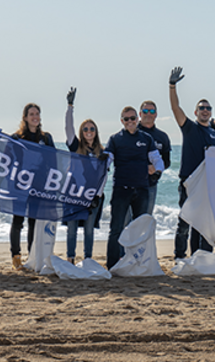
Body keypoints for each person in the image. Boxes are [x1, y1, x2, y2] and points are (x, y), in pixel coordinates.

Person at [168, 66, 215, 259]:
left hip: (208, 185)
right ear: (196, 111)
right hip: (189, 183)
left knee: (205, 223)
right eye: (202, 108)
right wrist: (172, 86)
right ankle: (180, 257)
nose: (205, 111)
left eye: (208, 108)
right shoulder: (189, 128)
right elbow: (175, 108)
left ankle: (203, 258)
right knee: (185, 221)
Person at [104, 106, 165, 269]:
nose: (130, 121)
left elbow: (157, 159)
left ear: (137, 119)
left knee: (141, 229)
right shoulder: (115, 139)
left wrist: (158, 172)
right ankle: (112, 265)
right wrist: (101, 167)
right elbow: (107, 158)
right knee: (116, 228)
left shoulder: (146, 138)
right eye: (126, 119)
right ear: (122, 121)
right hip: (121, 189)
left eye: (132, 118)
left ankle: (140, 264)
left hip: (142, 189)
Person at [9, 102, 56, 270]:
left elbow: (54, 162)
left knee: (33, 223)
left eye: (37, 113)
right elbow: (8, 159)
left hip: (39, 187)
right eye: (31, 114)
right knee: (17, 221)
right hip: (20, 187)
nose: (35, 117)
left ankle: (32, 256)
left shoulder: (46, 138)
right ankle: (16, 256)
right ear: (25, 118)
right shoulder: (17, 138)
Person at [64, 88, 107, 264]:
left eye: (92, 129)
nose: (89, 131)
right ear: (82, 132)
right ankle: (70, 258)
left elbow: (104, 177)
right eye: (85, 129)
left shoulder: (103, 153)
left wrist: (96, 196)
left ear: (96, 132)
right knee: (72, 229)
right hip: (74, 194)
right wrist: (70, 106)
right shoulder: (75, 147)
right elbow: (68, 127)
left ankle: (88, 258)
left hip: (92, 198)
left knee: (89, 230)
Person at [136, 100, 172, 215]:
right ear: (140, 114)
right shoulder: (131, 133)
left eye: (152, 111)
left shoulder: (162, 136)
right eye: (145, 111)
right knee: (126, 224)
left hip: (150, 185)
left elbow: (167, 161)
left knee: (145, 220)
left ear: (156, 114)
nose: (148, 114)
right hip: (129, 185)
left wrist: (156, 168)